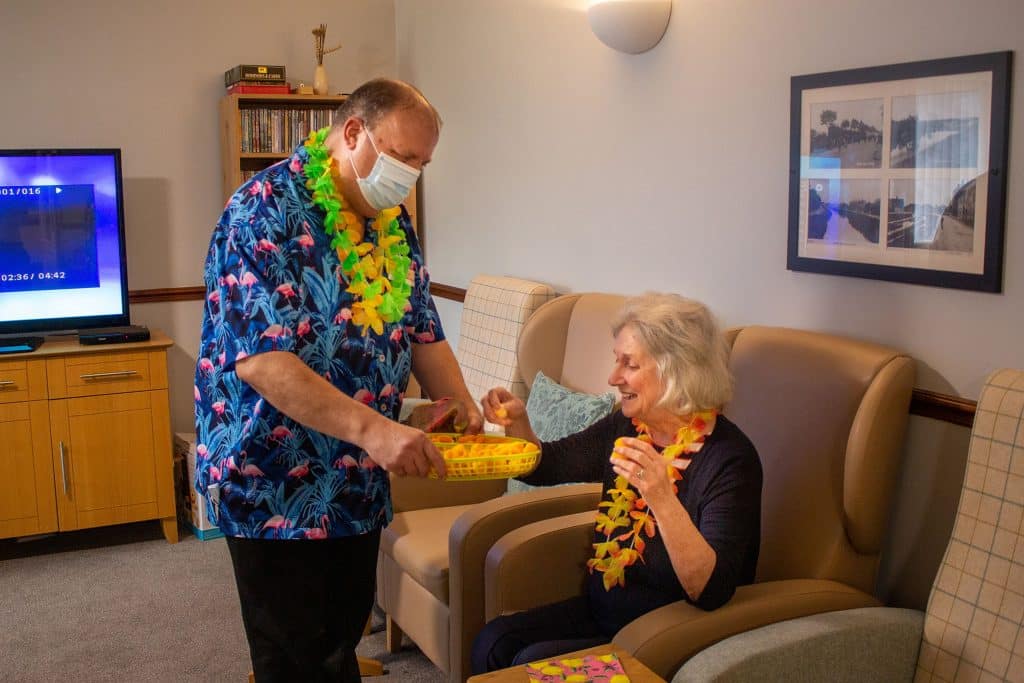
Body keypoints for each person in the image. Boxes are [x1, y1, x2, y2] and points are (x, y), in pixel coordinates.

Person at [193, 78, 483, 682]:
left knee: (339, 642)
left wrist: (456, 401)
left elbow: (423, 329)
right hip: (272, 478)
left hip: (357, 482)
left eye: (422, 164)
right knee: (293, 658)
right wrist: (376, 431)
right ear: (353, 133)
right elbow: (262, 361)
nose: (411, 174)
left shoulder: (392, 221)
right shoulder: (262, 209)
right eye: (403, 156)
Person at [471, 293, 763, 672]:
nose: (613, 378)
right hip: (605, 612)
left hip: (669, 636)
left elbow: (709, 590)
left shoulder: (730, 460)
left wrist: (660, 496)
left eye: (629, 364)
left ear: (675, 370)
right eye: (616, 361)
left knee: (532, 665)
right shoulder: (627, 428)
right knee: (493, 641)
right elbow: (550, 465)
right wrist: (520, 426)